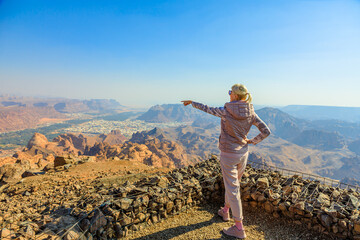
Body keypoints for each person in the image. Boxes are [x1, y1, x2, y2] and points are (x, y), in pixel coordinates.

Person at [182, 83, 270, 239]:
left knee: (233, 189)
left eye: (230, 92)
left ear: (235, 95)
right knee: (233, 184)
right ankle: (225, 212)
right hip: (243, 153)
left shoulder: (226, 111)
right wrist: (252, 141)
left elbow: (207, 108)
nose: (228, 94)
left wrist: (192, 103)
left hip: (228, 154)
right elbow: (266, 131)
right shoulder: (252, 113)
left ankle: (239, 228)